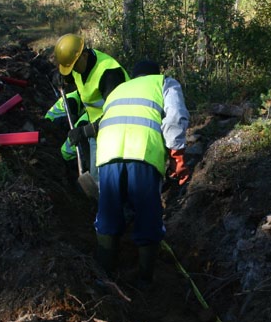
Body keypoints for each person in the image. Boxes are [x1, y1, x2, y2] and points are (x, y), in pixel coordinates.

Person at [92, 59, 191, 288]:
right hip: (143, 151)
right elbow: (175, 117)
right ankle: (145, 281)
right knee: (148, 214)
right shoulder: (164, 83)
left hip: (108, 155)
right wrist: (178, 158)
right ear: (156, 73)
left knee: (108, 214)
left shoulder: (118, 90)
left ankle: (105, 277)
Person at [53, 34, 129, 183]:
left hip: (116, 127)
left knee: (97, 178)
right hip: (93, 120)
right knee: (66, 151)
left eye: (73, 66)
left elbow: (118, 116)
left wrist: (85, 131)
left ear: (84, 55)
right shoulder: (79, 64)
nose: (73, 70)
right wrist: (61, 76)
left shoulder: (109, 74)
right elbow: (70, 75)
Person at [43, 88, 91, 173]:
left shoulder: (80, 102)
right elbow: (71, 122)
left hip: (68, 151)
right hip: (52, 122)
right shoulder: (72, 101)